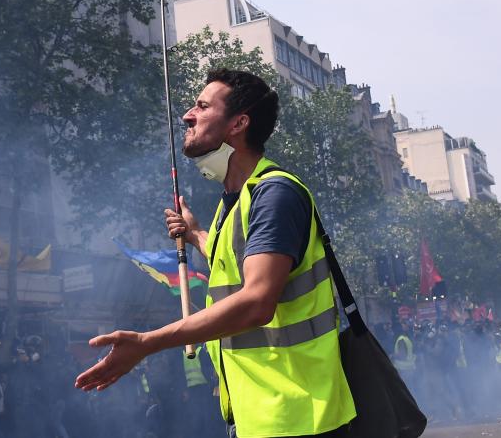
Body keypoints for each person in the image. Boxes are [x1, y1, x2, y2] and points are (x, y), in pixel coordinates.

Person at [75, 69, 355, 437]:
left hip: (299, 417)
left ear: (238, 123)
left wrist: (148, 343)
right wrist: (195, 236)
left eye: (202, 106)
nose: (187, 115)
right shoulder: (232, 205)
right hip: (260, 417)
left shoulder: (275, 195)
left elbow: (257, 301)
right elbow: (235, 264)